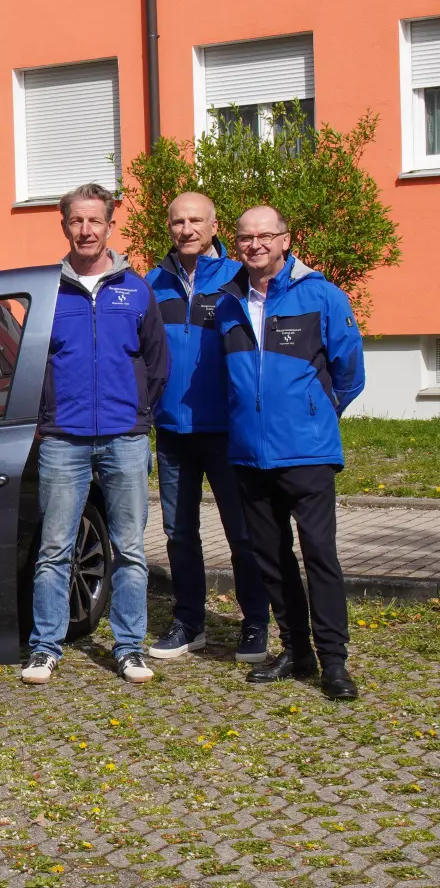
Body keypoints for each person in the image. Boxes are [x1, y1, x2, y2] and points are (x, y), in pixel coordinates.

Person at [215, 206, 364, 701]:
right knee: (272, 559)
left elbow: (349, 371)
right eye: (245, 237)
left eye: (264, 236)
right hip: (249, 454)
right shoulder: (228, 302)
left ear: (284, 240)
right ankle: (297, 651)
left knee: (320, 555)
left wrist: (314, 414)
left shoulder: (320, 294)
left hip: (307, 452)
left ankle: (334, 661)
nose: (254, 244)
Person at [22, 183, 167, 687]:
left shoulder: (136, 288)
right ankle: (45, 647)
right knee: (54, 549)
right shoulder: (47, 290)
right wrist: (44, 420)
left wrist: (139, 415)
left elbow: (156, 362)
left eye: (94, 221)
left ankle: (129, 647)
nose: (85, 230)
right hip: (63, 438)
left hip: (125, 438)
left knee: (129, 549)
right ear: (64, 226)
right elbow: (31, 363)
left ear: (110, 225)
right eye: (76, 222)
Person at [145, 192, 270, 662]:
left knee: (242, 533)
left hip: (228, 430)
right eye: (178, 221)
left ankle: (256, 623)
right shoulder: (152, 282)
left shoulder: (238, 280)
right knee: (178, 531)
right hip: (173, 430)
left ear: (214, 227)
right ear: (170, 227)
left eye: (196, 220)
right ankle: (188, 621)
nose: (187, 229)